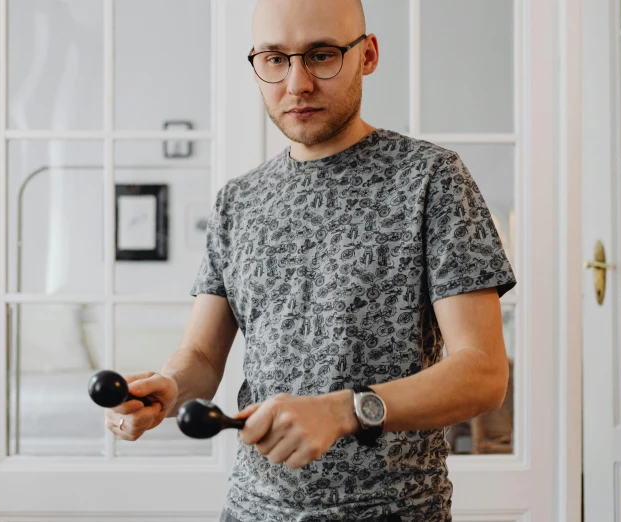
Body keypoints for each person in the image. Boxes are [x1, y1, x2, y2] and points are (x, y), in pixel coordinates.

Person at [104, 0, 515, 520]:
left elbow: (483, 374)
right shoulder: (238, 200)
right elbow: (204, 358)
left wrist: (346, 411)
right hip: (252, 509)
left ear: (367, 55)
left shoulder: (432, 180)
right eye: (275, 59)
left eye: (321, 56)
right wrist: (167, 386)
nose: (296, 83)